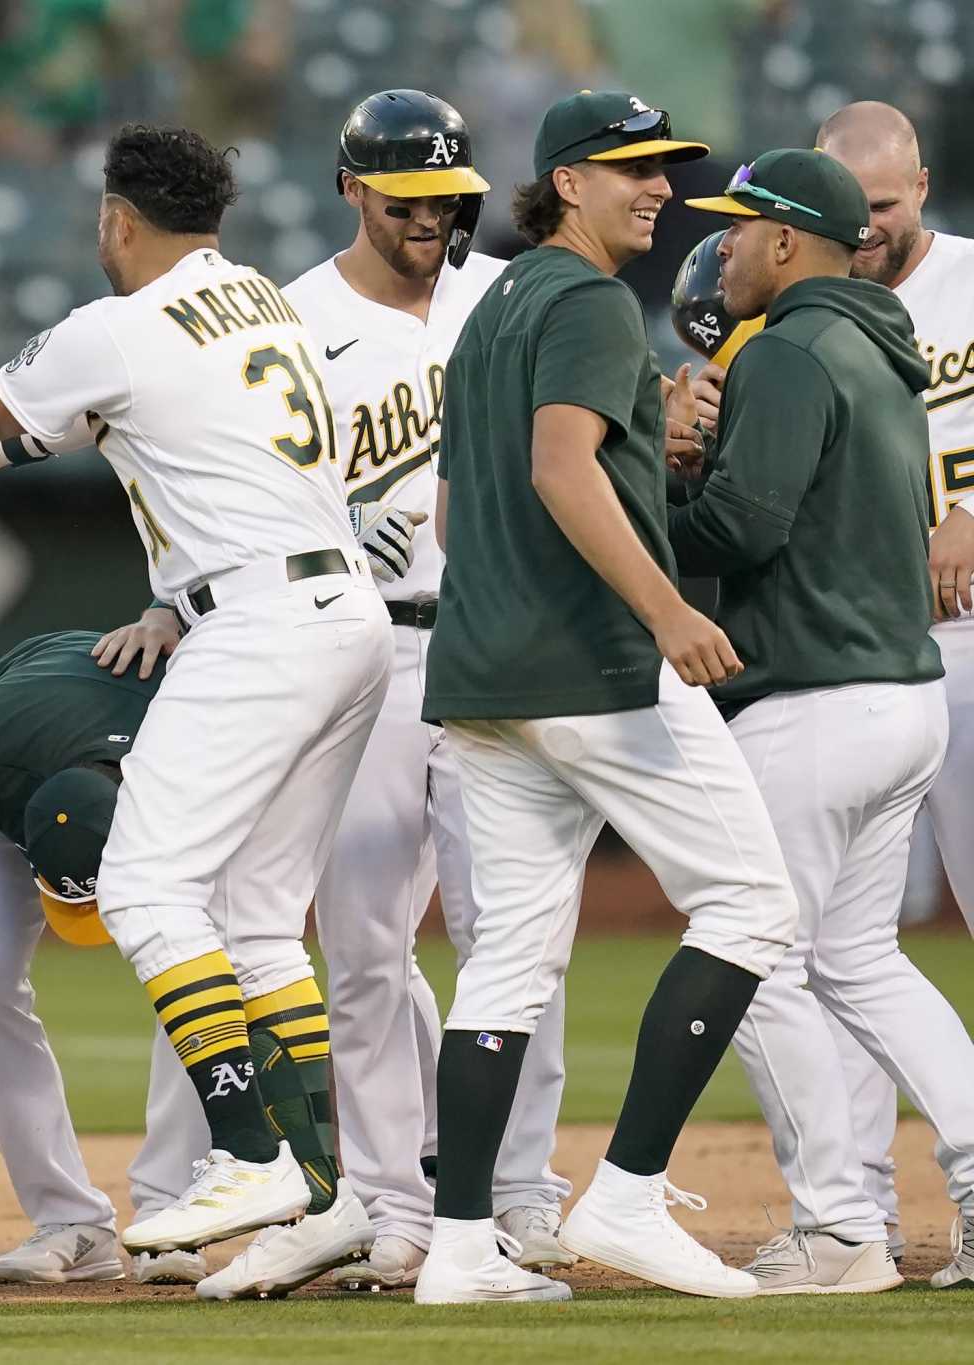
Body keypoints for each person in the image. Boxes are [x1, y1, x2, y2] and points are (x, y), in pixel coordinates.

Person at [0, 124, 392, 1266]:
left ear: (118, 220)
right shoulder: (262, 300)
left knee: (141, 884)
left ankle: (251, 1155)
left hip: (256, 625)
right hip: (345, 618)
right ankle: (329, 1200)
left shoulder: (118, 326)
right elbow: (57, 431)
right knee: (263, 922)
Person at [416, 90, 797, 1304]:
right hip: (587, 662)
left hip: (483, 667)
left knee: (505, 964)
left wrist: (652, 437)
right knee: (747, 902)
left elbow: (463, 500)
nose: (658, 187)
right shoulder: (580, 297)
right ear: (564, 183)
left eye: (666, 166)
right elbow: (556, 465)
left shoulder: (494, 303)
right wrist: (666, 610)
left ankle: (460, 1247)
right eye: (631, 166)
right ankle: (627, 1195)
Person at [281, 89, 574, 1292]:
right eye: (405, 200)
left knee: (518, 937)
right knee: (358, 940)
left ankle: (518, 1192)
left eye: (448, 199)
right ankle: (395, 1201)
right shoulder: (294, 318)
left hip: (500, 640)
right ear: (349, 187)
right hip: (374, 653)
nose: (429, 220)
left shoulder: (502, 294)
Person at [666, 146, 969, 1297]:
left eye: (740, 230)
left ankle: (837, 1228)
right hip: (900, 693)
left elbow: (741, 532)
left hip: (812, 699)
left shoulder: (790, 349)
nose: (725, 247)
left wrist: (642, 491)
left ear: (787, 242)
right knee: (859, 962)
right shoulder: (882, 350)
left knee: (750, 955)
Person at [0, 620, 377, 1297]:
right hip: (4, 775)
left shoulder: (184, 750)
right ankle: (69, 1220)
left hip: (135, 763)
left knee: (186, 959)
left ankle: (168, 1206)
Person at [818, 100, 974, 1288]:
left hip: (968, 646)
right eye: (848, 207)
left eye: (886, 205)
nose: (867, 228)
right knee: (841, 948)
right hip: (857, 655)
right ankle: (852, 1217)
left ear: (920, 183)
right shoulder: (798, 298)